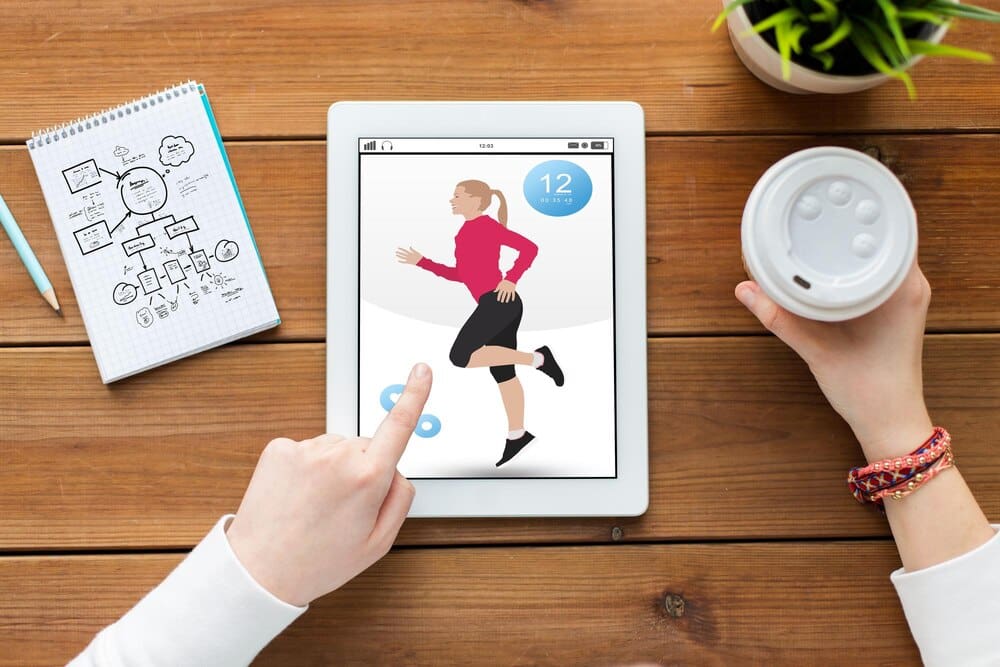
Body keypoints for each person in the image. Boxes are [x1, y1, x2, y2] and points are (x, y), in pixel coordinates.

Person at [70, 265, 998, 666]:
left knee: (481, 363)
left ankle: (532, 379)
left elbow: (507, 249)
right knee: (486, 368)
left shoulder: (498, 240)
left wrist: (252, 579)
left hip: (498, 305)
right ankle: (532, 385)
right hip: (488, 308)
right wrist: (895, 429)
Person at [396, 179, 564, 467]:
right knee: (503, 374)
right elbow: (461, 274)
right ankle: (517, 434)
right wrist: (422, 262)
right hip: (495, 304)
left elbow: (529, 248)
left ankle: (538, 358)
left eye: (457, 195)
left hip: (499, 302)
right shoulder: (465, 232)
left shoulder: (486, 226)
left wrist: (511, 278)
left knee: (460, 356)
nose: (452, 199)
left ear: (475, 200)